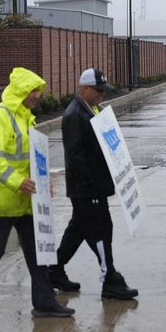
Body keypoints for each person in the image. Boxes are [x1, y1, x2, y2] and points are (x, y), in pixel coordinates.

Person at [0, 67, 74, 318]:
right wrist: (17, 181)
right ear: (19, 90)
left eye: (38, 90)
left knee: (38, 251)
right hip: (1, 200)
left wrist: (41, 183)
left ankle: (44, 302)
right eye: (32, 90)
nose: (36, 95)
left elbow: (30, 159)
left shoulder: (26, 117)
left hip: (24, 200)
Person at [48, 68, 138, 300]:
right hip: (87, 189)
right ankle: (110, 280)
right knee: (101, 231)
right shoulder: (74, 115)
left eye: (104, 91)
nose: (102, 95)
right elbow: (76, 155)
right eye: (98, 91)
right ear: (84, 88)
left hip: (94, 187)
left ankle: (54, 270)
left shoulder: (93, 110)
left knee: (78, 229)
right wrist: (93, 184)